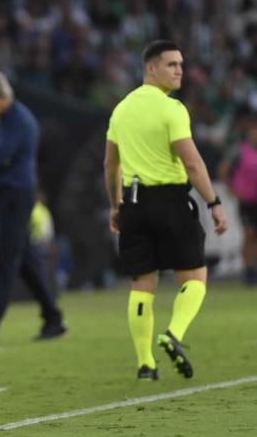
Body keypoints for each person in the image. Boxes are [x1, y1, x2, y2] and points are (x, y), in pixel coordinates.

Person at [104, 40, 228, 381]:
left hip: (133, 204)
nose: (179, 71)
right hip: (171, 203)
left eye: (181, 65)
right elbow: (192, 162)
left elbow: (110, 165)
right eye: (172, 64)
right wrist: (214, 203)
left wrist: (116, 206)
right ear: (150, 68)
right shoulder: (171, 109)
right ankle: (173, 334)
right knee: (195, 278)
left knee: (142, 285)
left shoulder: (121, 110)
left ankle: (145, 364)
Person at [0, 69, 66, 343]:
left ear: (0, 95)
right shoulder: (0, 121)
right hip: (4, 194)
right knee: (25, 260)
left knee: (6, 260)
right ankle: (53, 318)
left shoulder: (20, 120)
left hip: (17, 195)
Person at [218, 114, 257, 285]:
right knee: (250, 234)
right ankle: (249, 271)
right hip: (248, 201)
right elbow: (223, 169)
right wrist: (233, 190)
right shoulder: (240, 150)